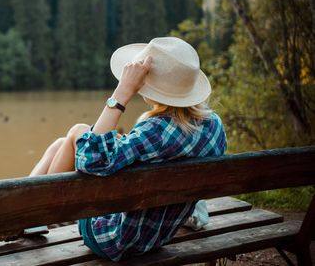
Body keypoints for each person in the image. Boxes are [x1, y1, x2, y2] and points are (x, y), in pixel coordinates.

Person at [29, 36, 227, 261]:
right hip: (159, 234)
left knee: (77, 131)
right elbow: (166, 151)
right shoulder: (214, 125)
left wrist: (122, 92)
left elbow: (91, 160)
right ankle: (31, 215)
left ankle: (36, 213)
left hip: (115, 237)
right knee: (60, 144)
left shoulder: (154, 130)